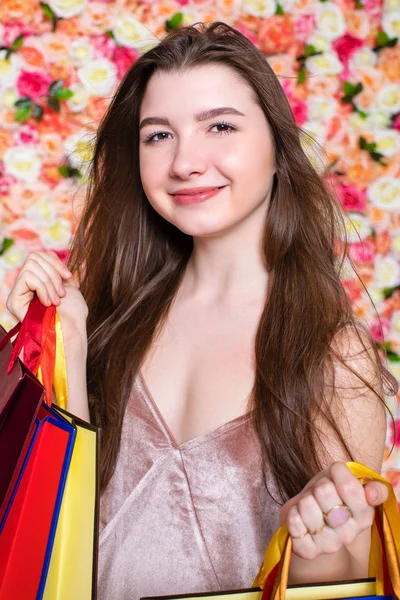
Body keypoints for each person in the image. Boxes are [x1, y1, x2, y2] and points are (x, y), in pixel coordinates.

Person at [6, 21, 398, 600]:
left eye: (220, 126)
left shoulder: (332, 353)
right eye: (158, 136)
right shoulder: (109, 319)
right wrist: (55, 352)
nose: (186, 162)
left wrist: (324, 541)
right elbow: (56, 547)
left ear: (276, 146)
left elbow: (340, 583)